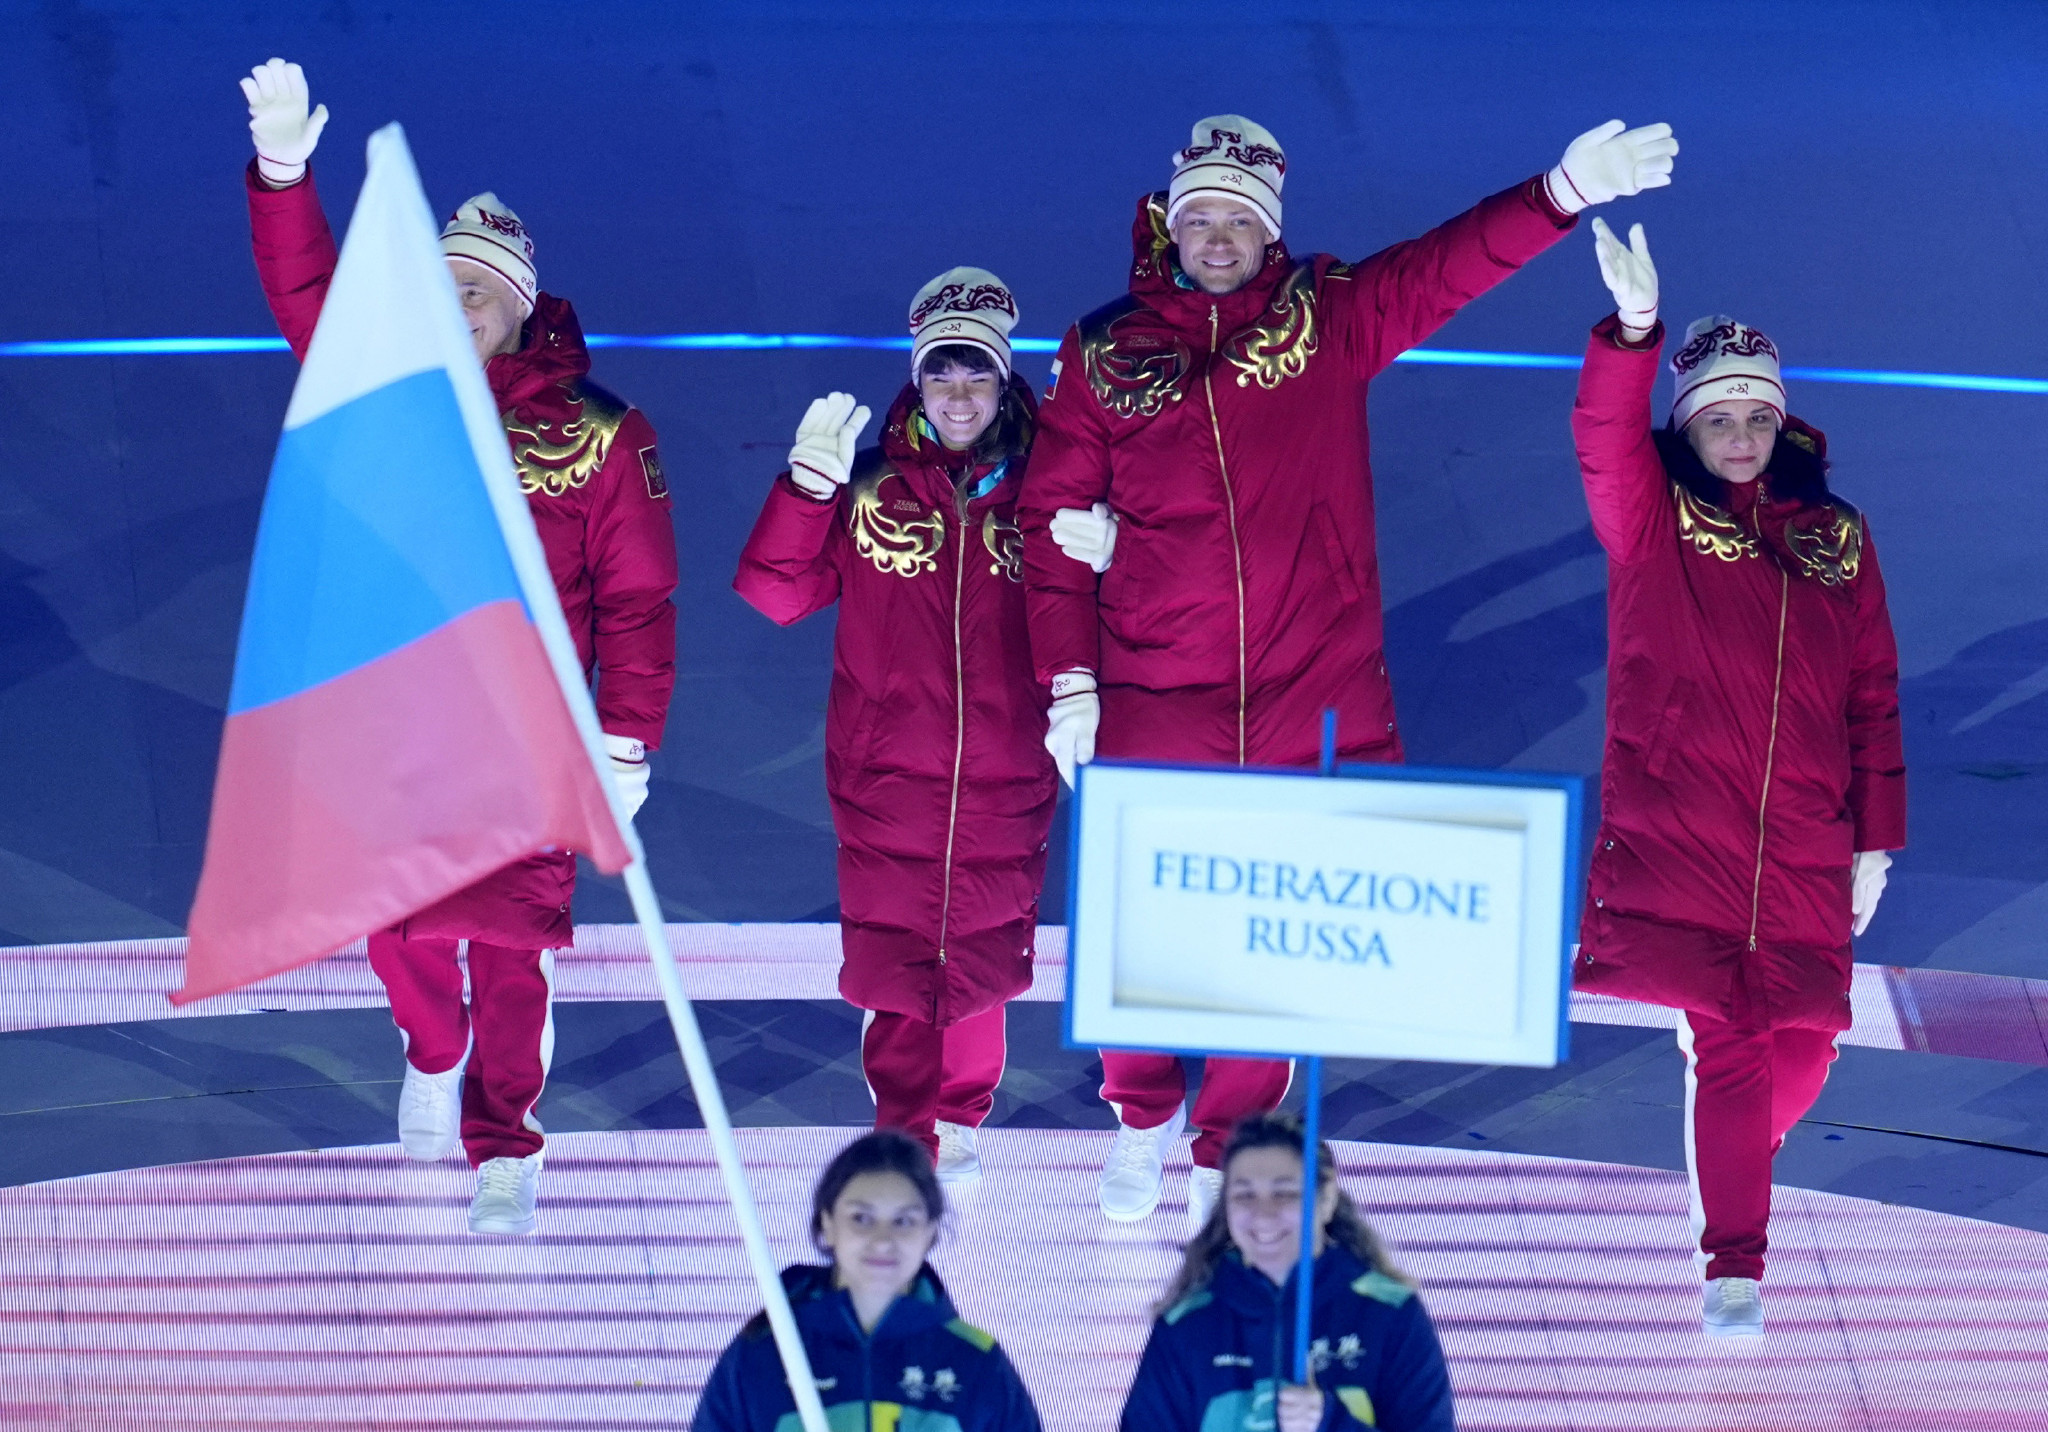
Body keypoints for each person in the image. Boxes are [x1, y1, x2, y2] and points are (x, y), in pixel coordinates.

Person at [1018, 112, 1679, 1231]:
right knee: (1142, 919)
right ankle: (1141, 1113)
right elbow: (1047, 524)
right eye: (1199, 217)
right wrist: (1070, 681)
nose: (1217, 236)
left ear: (1267, 232)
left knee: (1269, 934)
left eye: (1238, 220)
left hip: (1306, 686)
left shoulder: (1323, 317)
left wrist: (1559, 190)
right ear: (1169, 224)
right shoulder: (1101, 353)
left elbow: (1445, 266)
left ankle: (1228, 1144)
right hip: (1153, 685)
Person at [237, 59, 679, 1235]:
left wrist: (625, 741)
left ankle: (506, 1143)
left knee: (511, 949)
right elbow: (304, 290)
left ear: (521, 305)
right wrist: (283, 172)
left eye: (477, 289)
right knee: (399, 936)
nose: (456, 302)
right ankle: (431, 1052)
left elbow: (638, 600)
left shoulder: (600, 435)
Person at [1572, 218, 1906, 1336]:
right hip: (1687, 829)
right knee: (1732, 1040)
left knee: (1803, 1050)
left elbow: (1871, 691)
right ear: (1686, 424)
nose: (1742, 435)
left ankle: (1730, 1157)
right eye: (1718, 416)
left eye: (1757, 415)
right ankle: (1734, 1266)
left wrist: (1875, 835)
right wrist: (1631, 333)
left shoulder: (1837, 539)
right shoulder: (1651, 522)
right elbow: (1600, 436)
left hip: (1805, 837)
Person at [734, 270, 1056, 1185]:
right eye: (940, 374)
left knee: (986, 947)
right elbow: (775, 594)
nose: (958, 395)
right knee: (896, 956)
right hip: (886, 772)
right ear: (917, 381)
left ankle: (962, 1114)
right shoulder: (868, 485)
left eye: (976, 373)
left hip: (1007, 765)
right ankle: (904, 1128)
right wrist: (806, 491)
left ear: (1003, 381)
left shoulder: (1048, 487)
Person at [1120, 1114, 1454, 1432]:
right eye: (1245, 1195)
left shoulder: (1389, 1313)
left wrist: (1329, 1423)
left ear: (1326, 1200)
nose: (1263, 1215)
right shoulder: (1188, 1324)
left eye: (1285, 1193)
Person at [693, 1130, 1042, 1431]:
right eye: (861, 1218)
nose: (882, 1240)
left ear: (930, 1233)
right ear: (828, 1224)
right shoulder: (765, 1353)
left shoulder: (975, 1362)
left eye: (903, 1221)